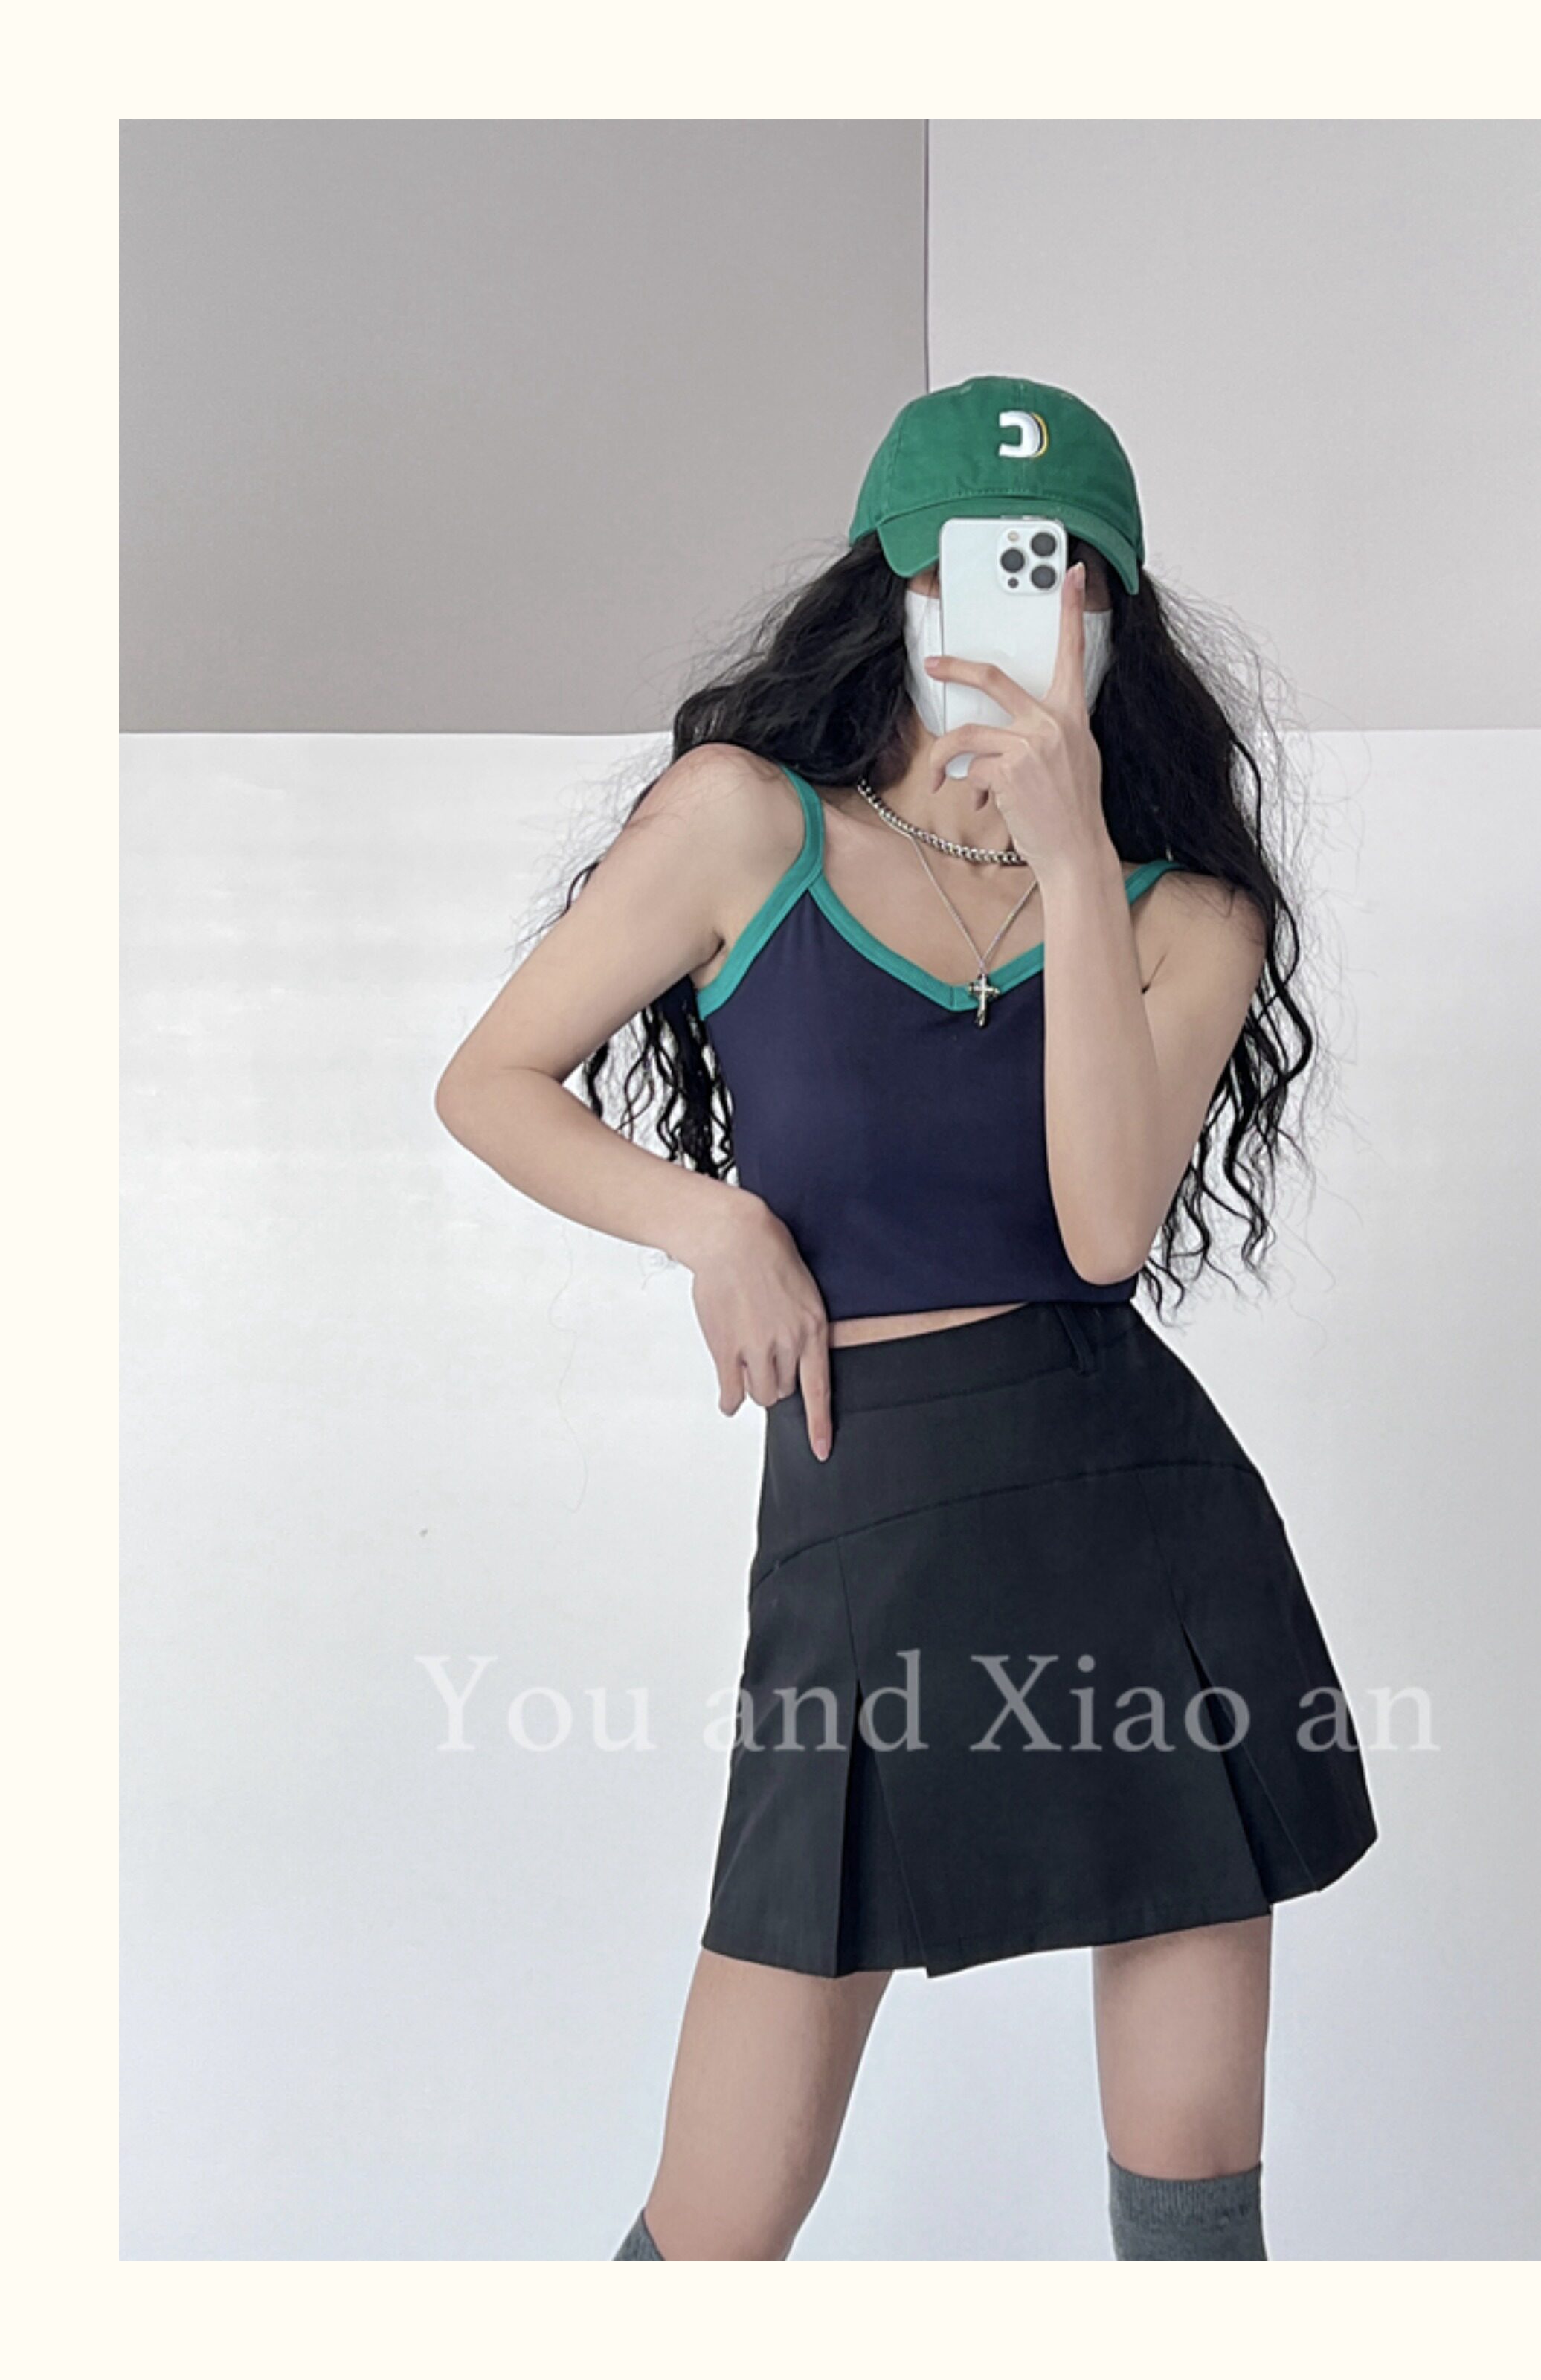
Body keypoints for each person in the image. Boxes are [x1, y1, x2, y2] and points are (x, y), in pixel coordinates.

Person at [434, 374, 1378, 2261]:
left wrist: (1072, 857)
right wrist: (710, 1221)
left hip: (1136, 1523)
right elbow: (491, 1082)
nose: (1026, 615)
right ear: (894, 590)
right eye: (978, 574)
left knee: (1192, 2218)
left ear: (1113, 613)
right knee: (716, 2222)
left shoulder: (1184, 913)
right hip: (862, 1532)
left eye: (1067, 578)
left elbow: (1103, 1230)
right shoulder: (740, 823)